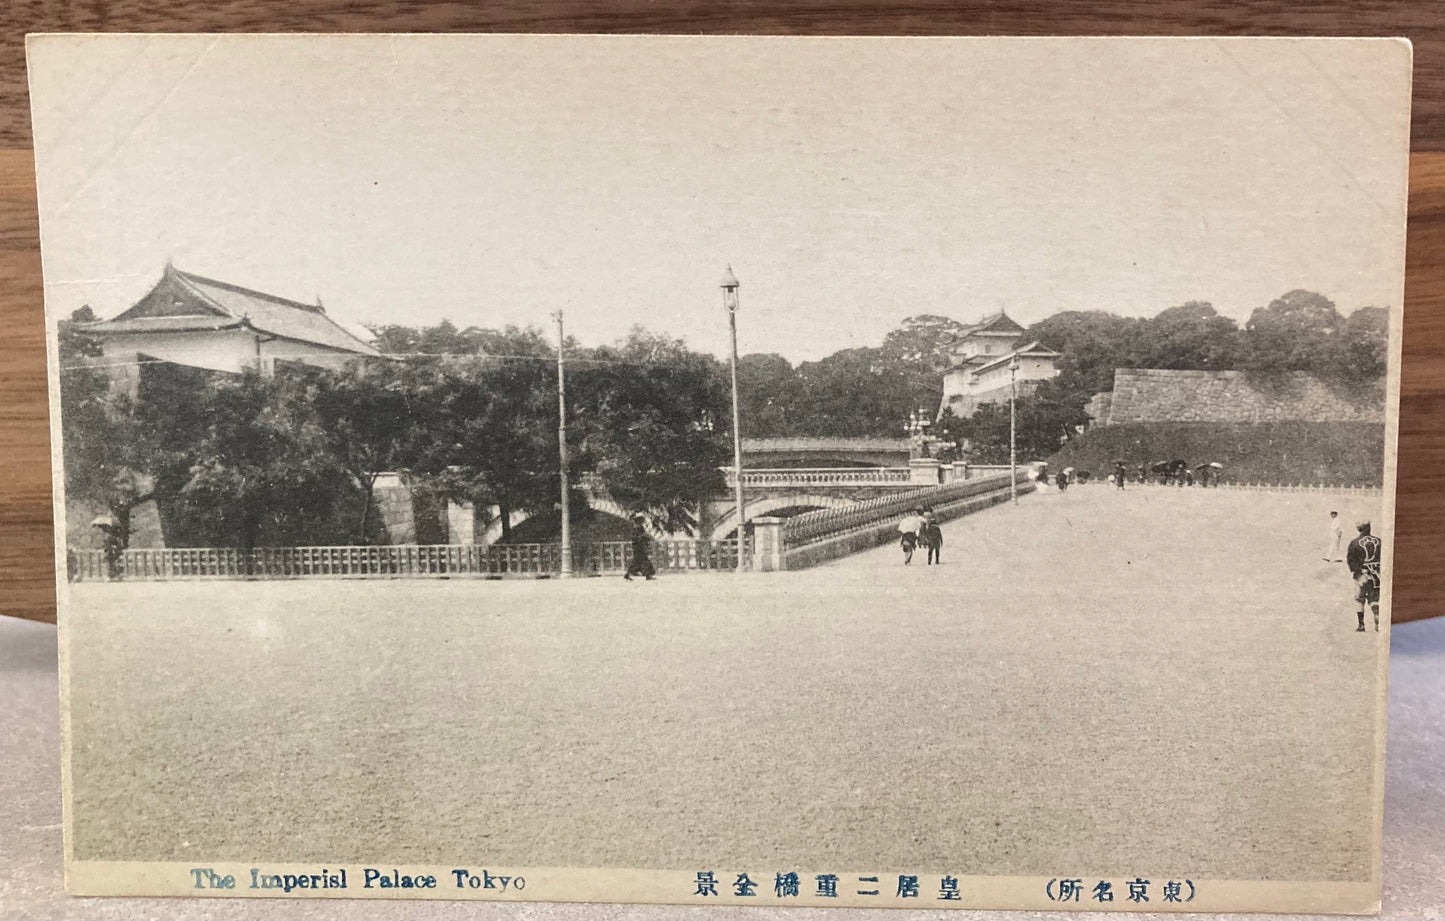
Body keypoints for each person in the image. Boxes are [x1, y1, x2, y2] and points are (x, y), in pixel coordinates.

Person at [1345, 521, 1382, 632]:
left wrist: (1357, 574)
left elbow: (1350, 560)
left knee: (1359, 599)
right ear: (1369, 528)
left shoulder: (1354, 543)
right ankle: (1376, 614)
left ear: (1359, 529)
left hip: (1362, 574)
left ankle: (1361, 625)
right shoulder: (1379, 541)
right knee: (1374, 598)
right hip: (1376, 575)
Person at [623, 515, 656, 581]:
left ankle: (628, 574)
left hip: (638, 547)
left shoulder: (636, 528)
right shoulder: (637, 528)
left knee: (637, 561)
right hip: (639, 547)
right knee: (644, 560)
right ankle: (647, 575)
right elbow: (638, 537)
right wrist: (645, 537)